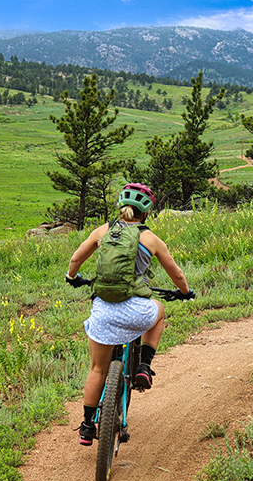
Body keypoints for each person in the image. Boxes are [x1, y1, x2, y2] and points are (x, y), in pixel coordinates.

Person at [65, 183, 193, 445]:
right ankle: (144, 365)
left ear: (120, 207)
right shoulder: (150, 239)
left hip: (103, 311)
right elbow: (177, 274)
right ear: (146, 213)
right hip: (137, 310)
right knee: (159, 311)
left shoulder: (102, 231)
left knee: (98, 369)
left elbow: (76, 259)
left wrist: (72, 277)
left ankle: (88, 426)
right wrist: (185, 292)